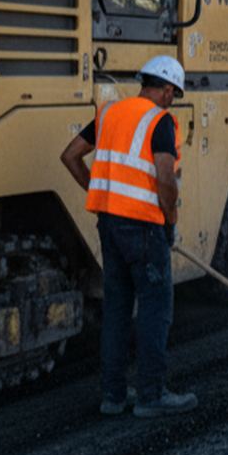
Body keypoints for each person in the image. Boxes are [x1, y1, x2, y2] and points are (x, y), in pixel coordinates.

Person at [60, 56, 196, 417]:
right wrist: (170, 222)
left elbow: (70, 156)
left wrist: (101, 193)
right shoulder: (159, 121)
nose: (173, 100)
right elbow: (165, 179)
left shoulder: (110, 114)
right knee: (155, 309)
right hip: (144, 228)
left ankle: (113, 396)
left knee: (118, 310)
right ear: (167, 90)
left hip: (109, 224)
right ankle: (152, 395)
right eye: (174, 93)